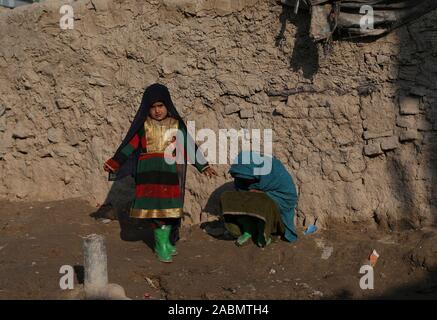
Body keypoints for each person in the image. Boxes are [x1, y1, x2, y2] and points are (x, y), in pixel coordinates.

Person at [104, 83, 217, 263]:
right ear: (146, 108)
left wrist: (203, 166)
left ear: (168, 105)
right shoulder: (144, 126)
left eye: (160, 106)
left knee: (168, 209)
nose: (157, 111)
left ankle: (165, 243)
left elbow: (188, 146)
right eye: (153, 107)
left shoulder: (176, 125)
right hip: (148, 175)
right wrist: (115, 162)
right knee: (155, 211)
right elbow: (129, 147)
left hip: (168, 174)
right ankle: (161, 245)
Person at [220, 151, 298, 247]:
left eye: (247, 178)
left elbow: (288, 197)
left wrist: (262, 194)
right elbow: (242, 190)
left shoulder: (274, 171)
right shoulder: (243, 174)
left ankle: (265, 233)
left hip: (278, 202)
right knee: (229, 198)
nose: (246, 181)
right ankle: (247, 230)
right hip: (257, 200)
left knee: (262, 201)